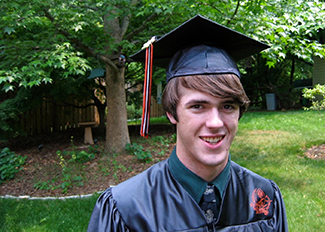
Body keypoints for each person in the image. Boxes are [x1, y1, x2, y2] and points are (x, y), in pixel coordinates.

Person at [87, 15, 288, 232]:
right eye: (198, 106)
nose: (215, 122)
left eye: (227, 106)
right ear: (172, 113)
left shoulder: (264, 199)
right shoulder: (127, 209)